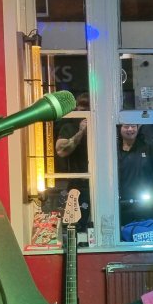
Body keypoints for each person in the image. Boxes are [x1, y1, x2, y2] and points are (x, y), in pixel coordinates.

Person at [117, 124, 153, 238]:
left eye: (133, 126)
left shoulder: (149, 147)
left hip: (146, 205)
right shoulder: (113, 150)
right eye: (126, 126)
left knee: (146, 235)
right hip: (121, 205)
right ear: (119, 128)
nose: (130, 129)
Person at [53, 92, 91, 230]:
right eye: (81, 108)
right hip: (78, 183)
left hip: (102, 184)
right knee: (75, 225)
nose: (83, 111)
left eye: (87, 109)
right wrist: (81, 132)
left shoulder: (102, 128)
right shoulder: (69, 127)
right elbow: (61, 151)